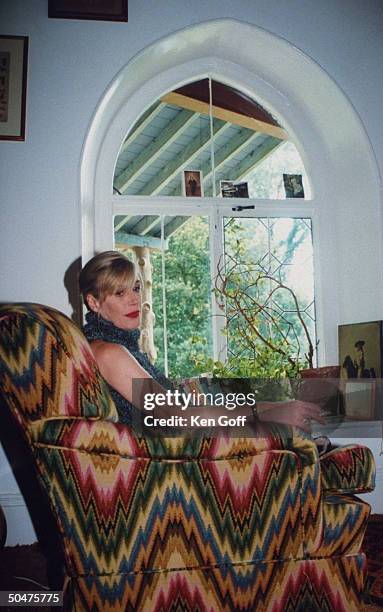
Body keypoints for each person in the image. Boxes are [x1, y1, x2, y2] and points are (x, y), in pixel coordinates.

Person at [79, 251, 324, 433]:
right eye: (120, 293)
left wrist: (268, 406)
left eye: (135, 288)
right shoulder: (110, 352)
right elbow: (176, 415)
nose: (134, 300)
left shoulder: (119, 345)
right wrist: (264, 412)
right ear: (94, 302)